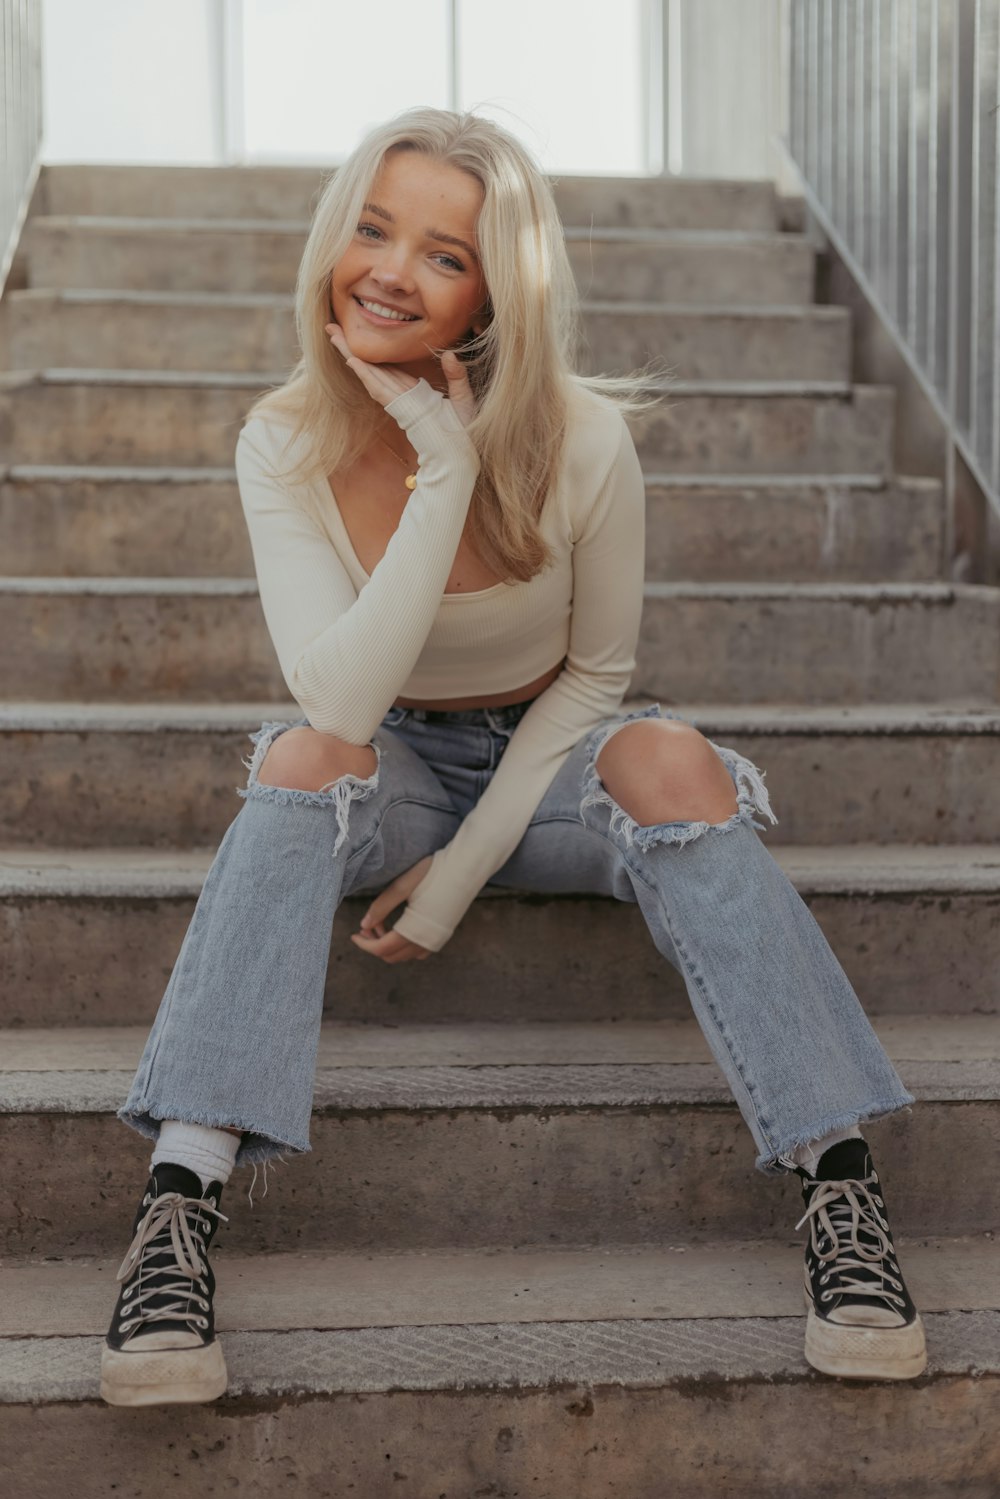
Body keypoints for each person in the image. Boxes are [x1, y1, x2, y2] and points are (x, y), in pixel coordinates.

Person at [100, 107, 926, 1407]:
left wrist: (461, 875)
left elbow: (596, 672)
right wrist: (437, 470)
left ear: (495, 294)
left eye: (443, 253)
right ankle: (178, 1205)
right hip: (397, 762)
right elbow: (344, 699)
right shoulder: (283, 440)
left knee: (675, 763)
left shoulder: (588, 438)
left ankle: (842, 1193)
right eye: (371, 230)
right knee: (303, 760)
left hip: (557, 758)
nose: (388, 270)